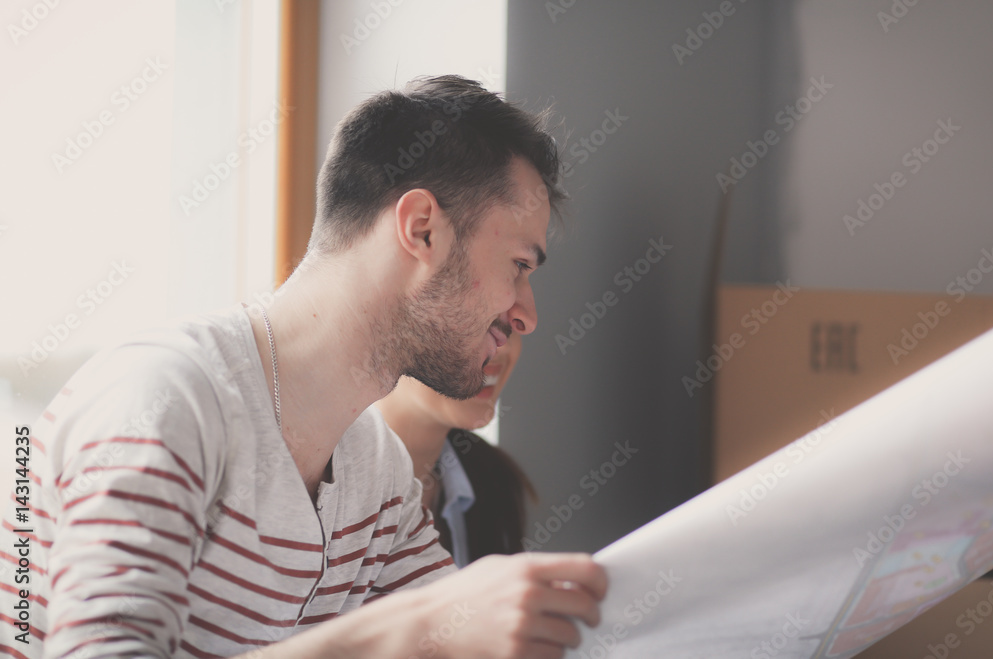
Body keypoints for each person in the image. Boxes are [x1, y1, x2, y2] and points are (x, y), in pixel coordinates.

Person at [0, 76, 606, 658]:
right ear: (422, 230)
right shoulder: (166, 398)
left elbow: (461, 637)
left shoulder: (380, 474)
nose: (527, 315)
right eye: (519, 266)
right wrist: (396, 636)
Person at [378, 331, 535, 567]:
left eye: (510, 327)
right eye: (471, 322)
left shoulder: (494, 482)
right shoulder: (325, 484)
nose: (503, 347)